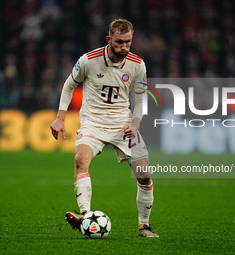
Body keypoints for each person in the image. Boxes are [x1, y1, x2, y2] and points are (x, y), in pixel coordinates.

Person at [50, 19, 159, 238]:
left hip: (123, 123)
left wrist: (135, 125)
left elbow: (140, 102)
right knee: (80, 160)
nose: (124, 47)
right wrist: (60, 118)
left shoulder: (137, 64)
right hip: (93, 122)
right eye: (119, 42)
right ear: (108, 40)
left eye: (128, 42)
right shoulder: (88, 60)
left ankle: (144, 225)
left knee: (144, 175)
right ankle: (85, 215)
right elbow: (69, 84)